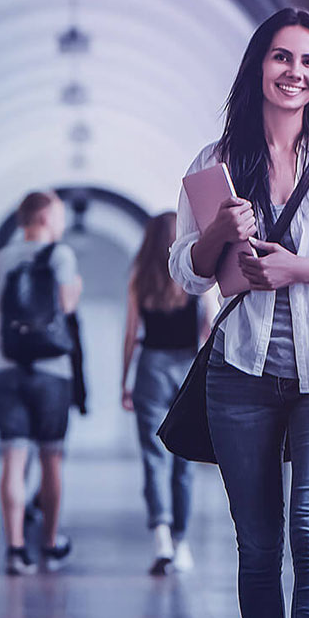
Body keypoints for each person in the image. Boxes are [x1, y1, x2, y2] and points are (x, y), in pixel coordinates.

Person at [168, 7, 309, 618]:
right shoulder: (215, 161)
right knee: (260, 545)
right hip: (240, 374)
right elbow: (187, 272)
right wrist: (218, 231)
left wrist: (300, 269)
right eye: (282, 57)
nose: (296, 72)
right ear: (259, 66)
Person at [0, 191, 82, 575]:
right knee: (51, 458)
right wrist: (76, 287)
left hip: (6, 368)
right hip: (52, 370)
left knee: (13, 459)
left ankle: (15, 549)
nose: (62, 223)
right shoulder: (61, 256)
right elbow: (66, 307)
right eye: (58, 216)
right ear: (43, 218)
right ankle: (50, 544)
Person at [119, 211, 215, 576]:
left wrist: (124, 381)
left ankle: (160, 534)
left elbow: (131, 334)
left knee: (153, 456)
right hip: (186, 368)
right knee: (183, 460)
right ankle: (182, 542)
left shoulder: (140, 275)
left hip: (150, 369)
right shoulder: (193, 273)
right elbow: (209, 325)